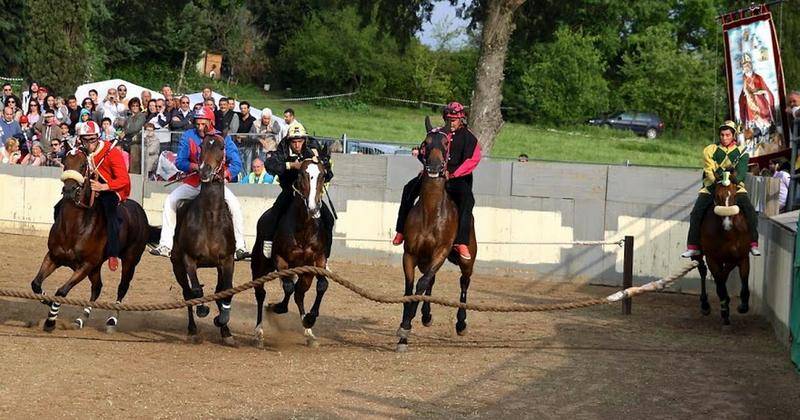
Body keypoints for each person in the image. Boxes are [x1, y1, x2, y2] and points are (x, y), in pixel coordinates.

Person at [150, 106, 250, 260]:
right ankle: (166, 244)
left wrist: (226, 175)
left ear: (211, 122)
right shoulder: (188, 136)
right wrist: (196, 167)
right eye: (197, 124)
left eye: (203, 124)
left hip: (216, 186)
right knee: (171, 200)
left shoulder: (223, 138)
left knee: (235, 206)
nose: (200, 127)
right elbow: (180, 161)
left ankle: (240, 246)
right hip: (194, 182)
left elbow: (236, 162)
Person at [391, 102, 481, 260]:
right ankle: (401, 231)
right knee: (408, 189)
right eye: (448, 118)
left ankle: (461, 242)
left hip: (456, 179)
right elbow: (424, 151)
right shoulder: (436, 134)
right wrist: (426, 164)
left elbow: (472, 160)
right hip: (432, 176)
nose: (450, 122)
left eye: (454, 119)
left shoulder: (469, 138)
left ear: (461, 118)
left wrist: (452, 173)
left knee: (467, 199)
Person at [681, 120, 760, 258]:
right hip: (711, 187)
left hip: (736, 188)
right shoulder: (709, 150)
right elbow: (710, 171)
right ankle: (693, 246)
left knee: (750, 211)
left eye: (728, 135)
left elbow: (740, 175)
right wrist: (720, 181)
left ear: (733, 135)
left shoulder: (742, 152)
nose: (724, 138)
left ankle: (753, 243)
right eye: (722, 135)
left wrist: (731, 180)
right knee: (696, 213)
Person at [263, 122, 334, 258]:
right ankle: (269, 241)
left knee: (329, 219)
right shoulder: (282, 148)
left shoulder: (312, 149)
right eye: (294, 142)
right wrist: (291, 165)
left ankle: (325, 254)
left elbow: (328, 172)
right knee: (274, 214)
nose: (297, 145)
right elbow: (270, 165)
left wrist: (322, 166)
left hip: (309, 194)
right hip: (289, 191)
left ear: (304, 141)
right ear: (289, 141)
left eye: (300, 141)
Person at [72, 121, 130, 271]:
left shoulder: (112, 152)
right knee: (64, 204)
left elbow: (123, 180)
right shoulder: (80, 151)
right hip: (90, 186)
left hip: (112, 189)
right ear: (81, 139)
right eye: (85, 139)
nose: (89, 143)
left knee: (110, 212)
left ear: (98, 137)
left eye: (92, 139)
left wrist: (103, 187)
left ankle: (113, 252)